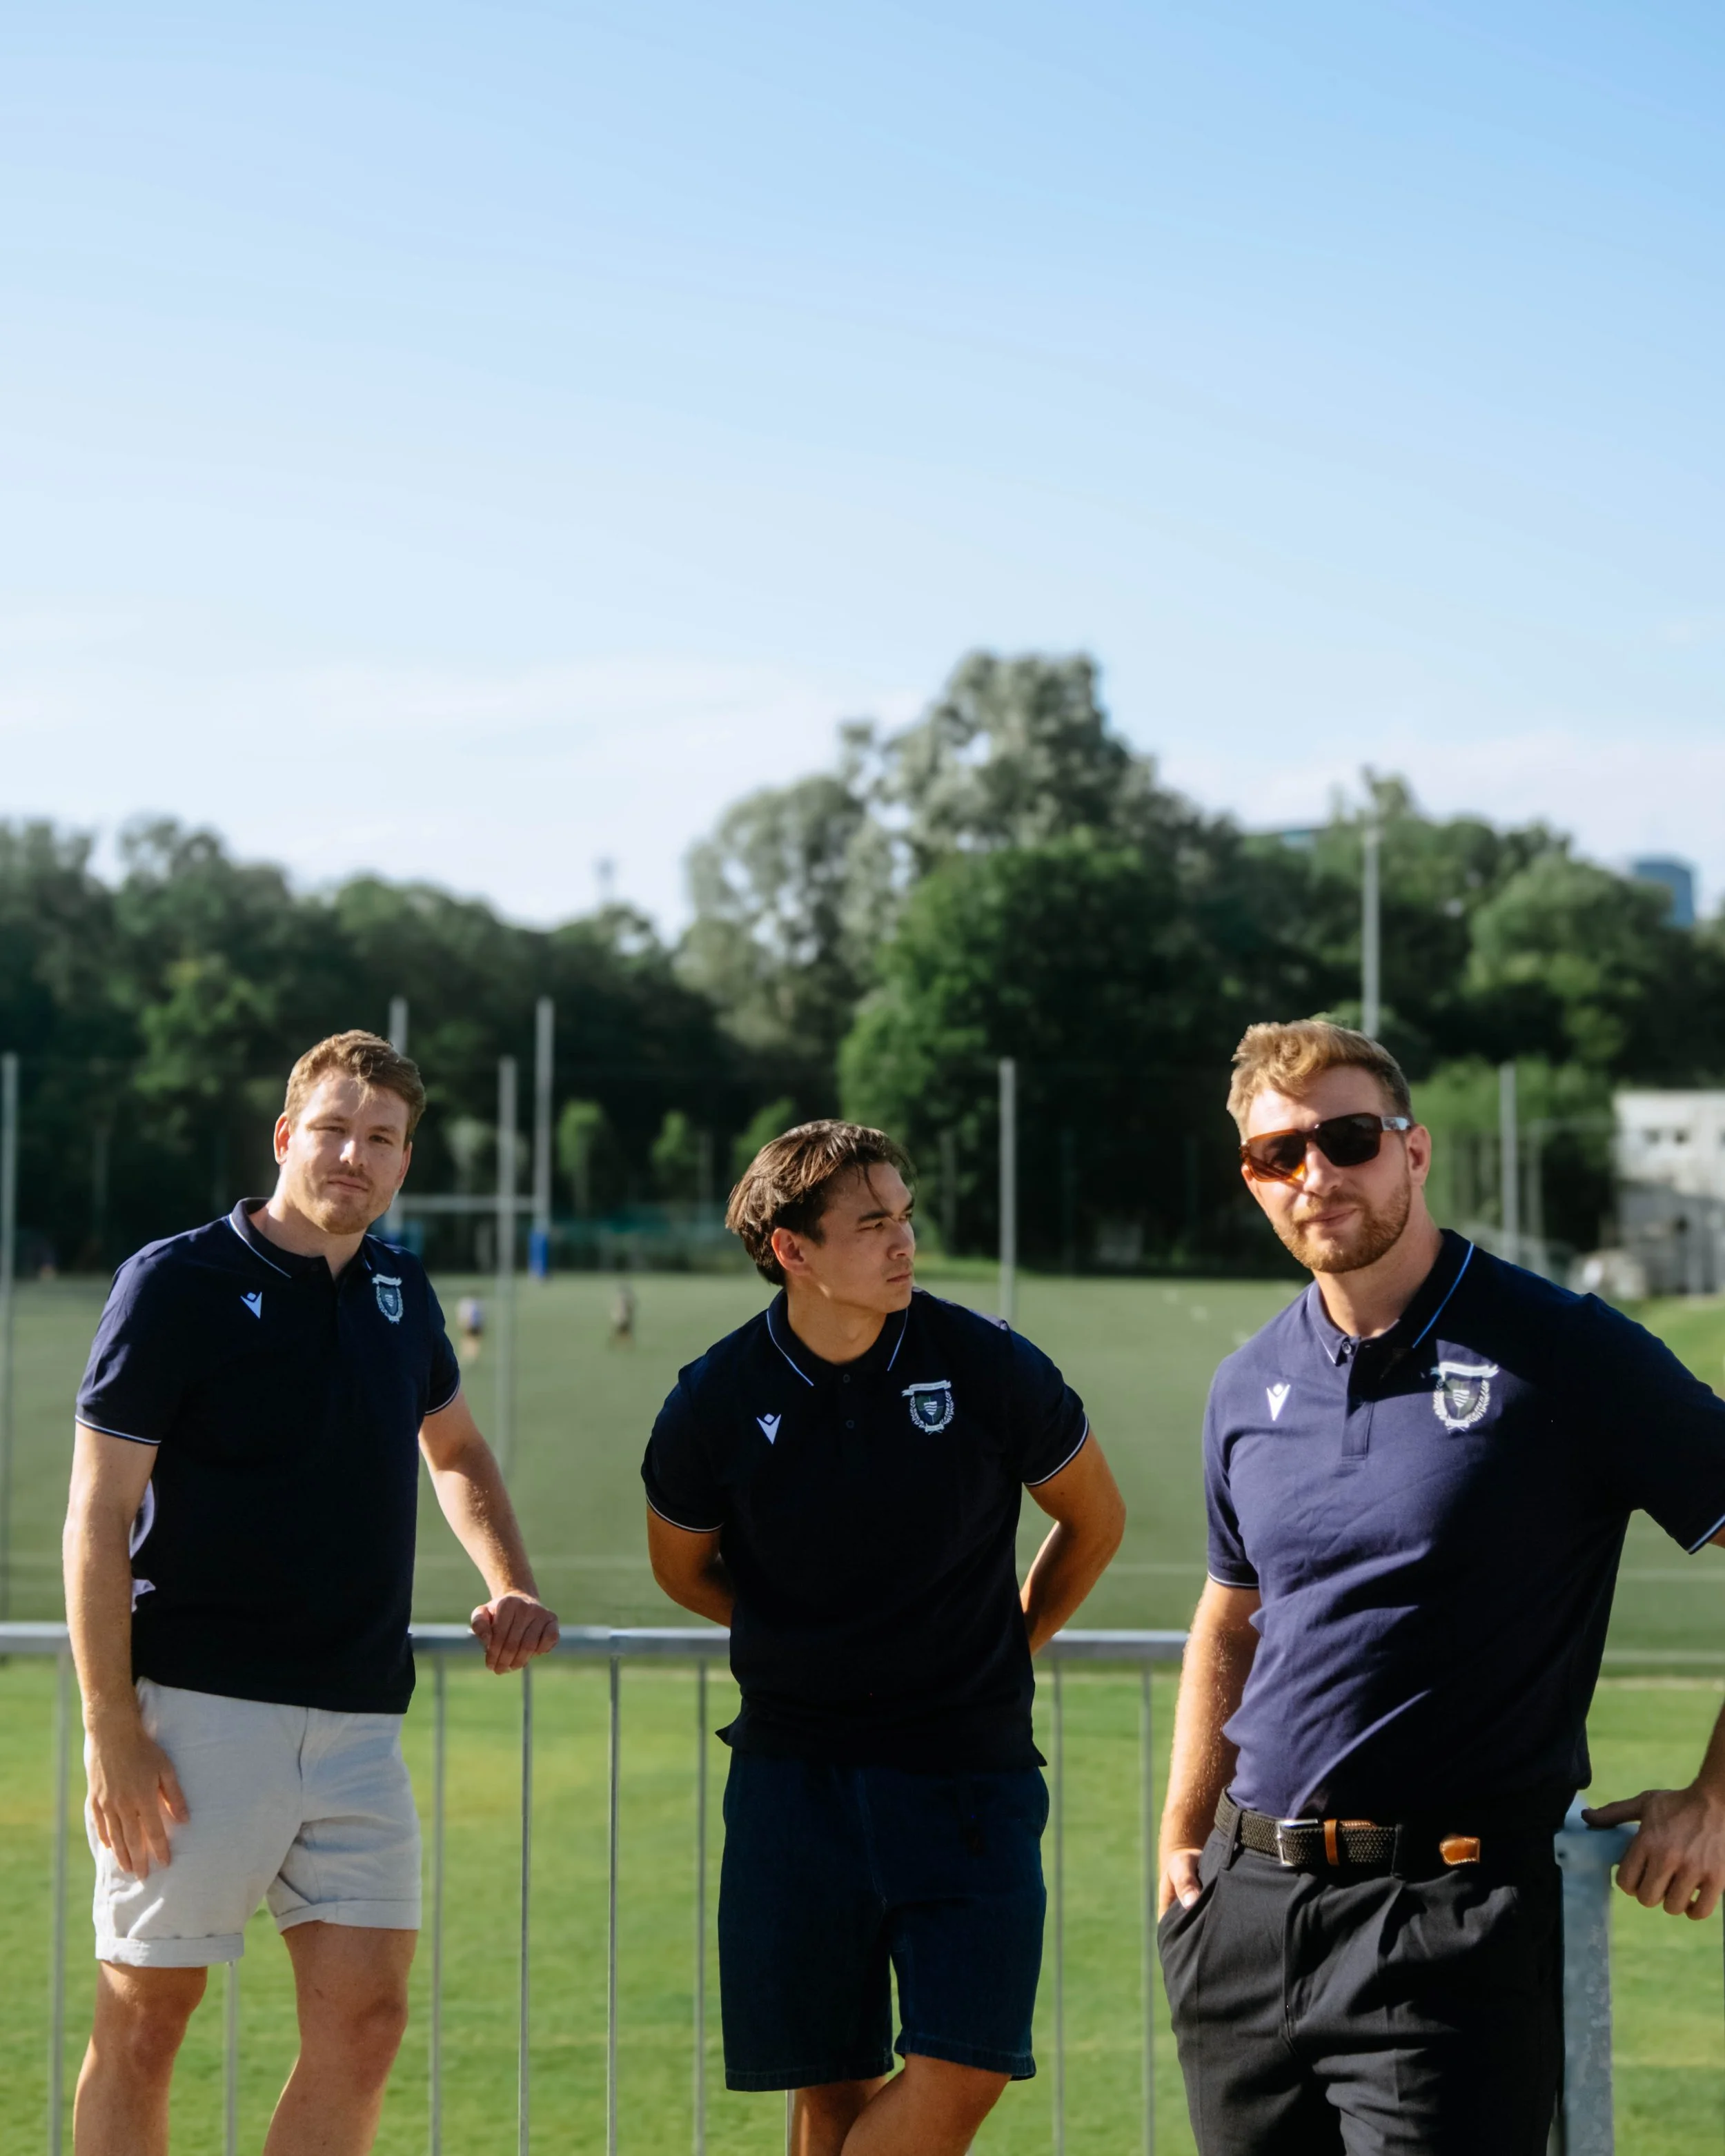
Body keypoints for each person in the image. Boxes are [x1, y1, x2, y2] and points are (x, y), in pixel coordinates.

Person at [1159, 1019, 1725, 2156]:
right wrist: (1184, 1835)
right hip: (1245, 1921)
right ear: (1253, 1182)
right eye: (1281, 1156)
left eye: (1349, 1139)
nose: (1316, 1175)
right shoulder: (1247, 1381)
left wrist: (1716, 1799)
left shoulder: (1566, 1351)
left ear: (1413, 1153)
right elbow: (1234, 1611)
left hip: (1449, 1925)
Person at [64, 1029, 560, 2156]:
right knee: (146, 2023)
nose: (355, 1154)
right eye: (334, 1129)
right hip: (195, 1718)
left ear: (403, 1165)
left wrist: (511, 1581)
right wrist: (111, 1728)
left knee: (368, 2025)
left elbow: (459, 1452)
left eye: (381, 1139)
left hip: (359, 1722)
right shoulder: (176, 1282)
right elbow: (95, 1516)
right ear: (287, 1137)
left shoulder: (402, 1286)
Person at [642, 1120, 1125, 2156]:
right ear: (795, 1252)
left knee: (969, 2067)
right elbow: (681, 1569)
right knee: (831, 2089)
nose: (905, 1241)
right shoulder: (715, 1400)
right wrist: (810, 1640)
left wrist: (1012, 1639)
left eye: (905, 1216)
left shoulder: (988, 1364)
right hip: (794, 1781)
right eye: (873, 1224)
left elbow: (1096, 1519)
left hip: (968, 1776)